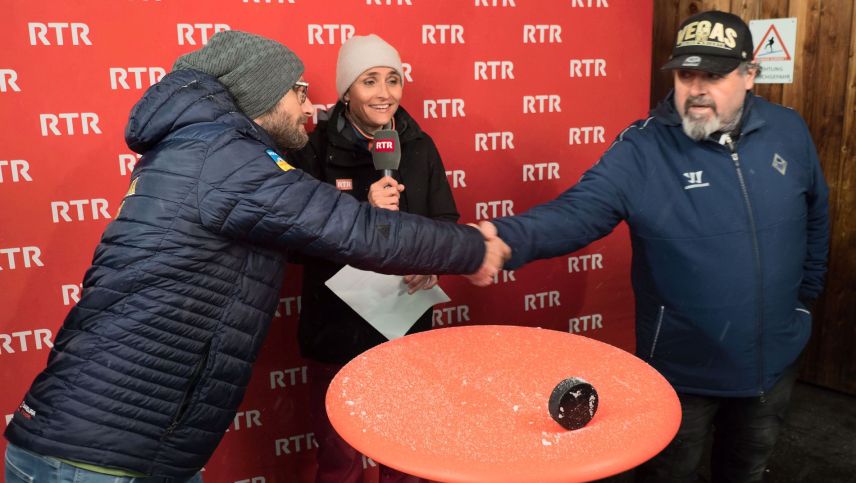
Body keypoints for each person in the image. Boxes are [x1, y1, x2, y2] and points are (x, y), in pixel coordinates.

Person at [3, 30, 507, 483]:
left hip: (117, 446)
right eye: (297, 91)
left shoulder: (206, 148)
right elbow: (357, 230)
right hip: (98, 458)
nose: (308, 104)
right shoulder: (228, 159)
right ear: (263, 95)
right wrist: (478, 246)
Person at [476, 11, 830, 483]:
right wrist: (504, 240)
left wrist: (803, 301)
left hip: (772, 365)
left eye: (714, 76)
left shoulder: (788, 129)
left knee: (746, 470)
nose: (696, 89)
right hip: (681, 372)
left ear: (749, 75)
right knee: (668, 474)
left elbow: (816, 215)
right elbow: (578, 212)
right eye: (685, 75)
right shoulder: (642, 149)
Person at [288, 34, 453, 483]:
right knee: (340, 460)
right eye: (369, 80)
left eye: (392, 79)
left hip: (403, 326)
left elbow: (445, 220)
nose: (384, 93)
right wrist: (364, 208)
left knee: (406, 455)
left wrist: (431, 260)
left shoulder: (419, 146)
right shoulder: (312, 150)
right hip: (336, 327)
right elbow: (296, 241)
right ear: (347, 91)